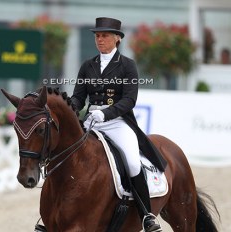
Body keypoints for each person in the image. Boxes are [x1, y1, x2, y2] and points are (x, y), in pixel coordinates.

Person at [71, 17, 165, 232]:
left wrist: (106, 114)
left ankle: (146, 215)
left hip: (117, 122)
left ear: (117, 39)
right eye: (97, 36)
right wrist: (70, 108)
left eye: (104, 36)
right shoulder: (88, 65)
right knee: (67, 155)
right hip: (91, 122)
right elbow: (79, 97)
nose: (99, 39)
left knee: (132, 163)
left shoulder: (127, 66)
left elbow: (129, 100)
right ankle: (49, 215)